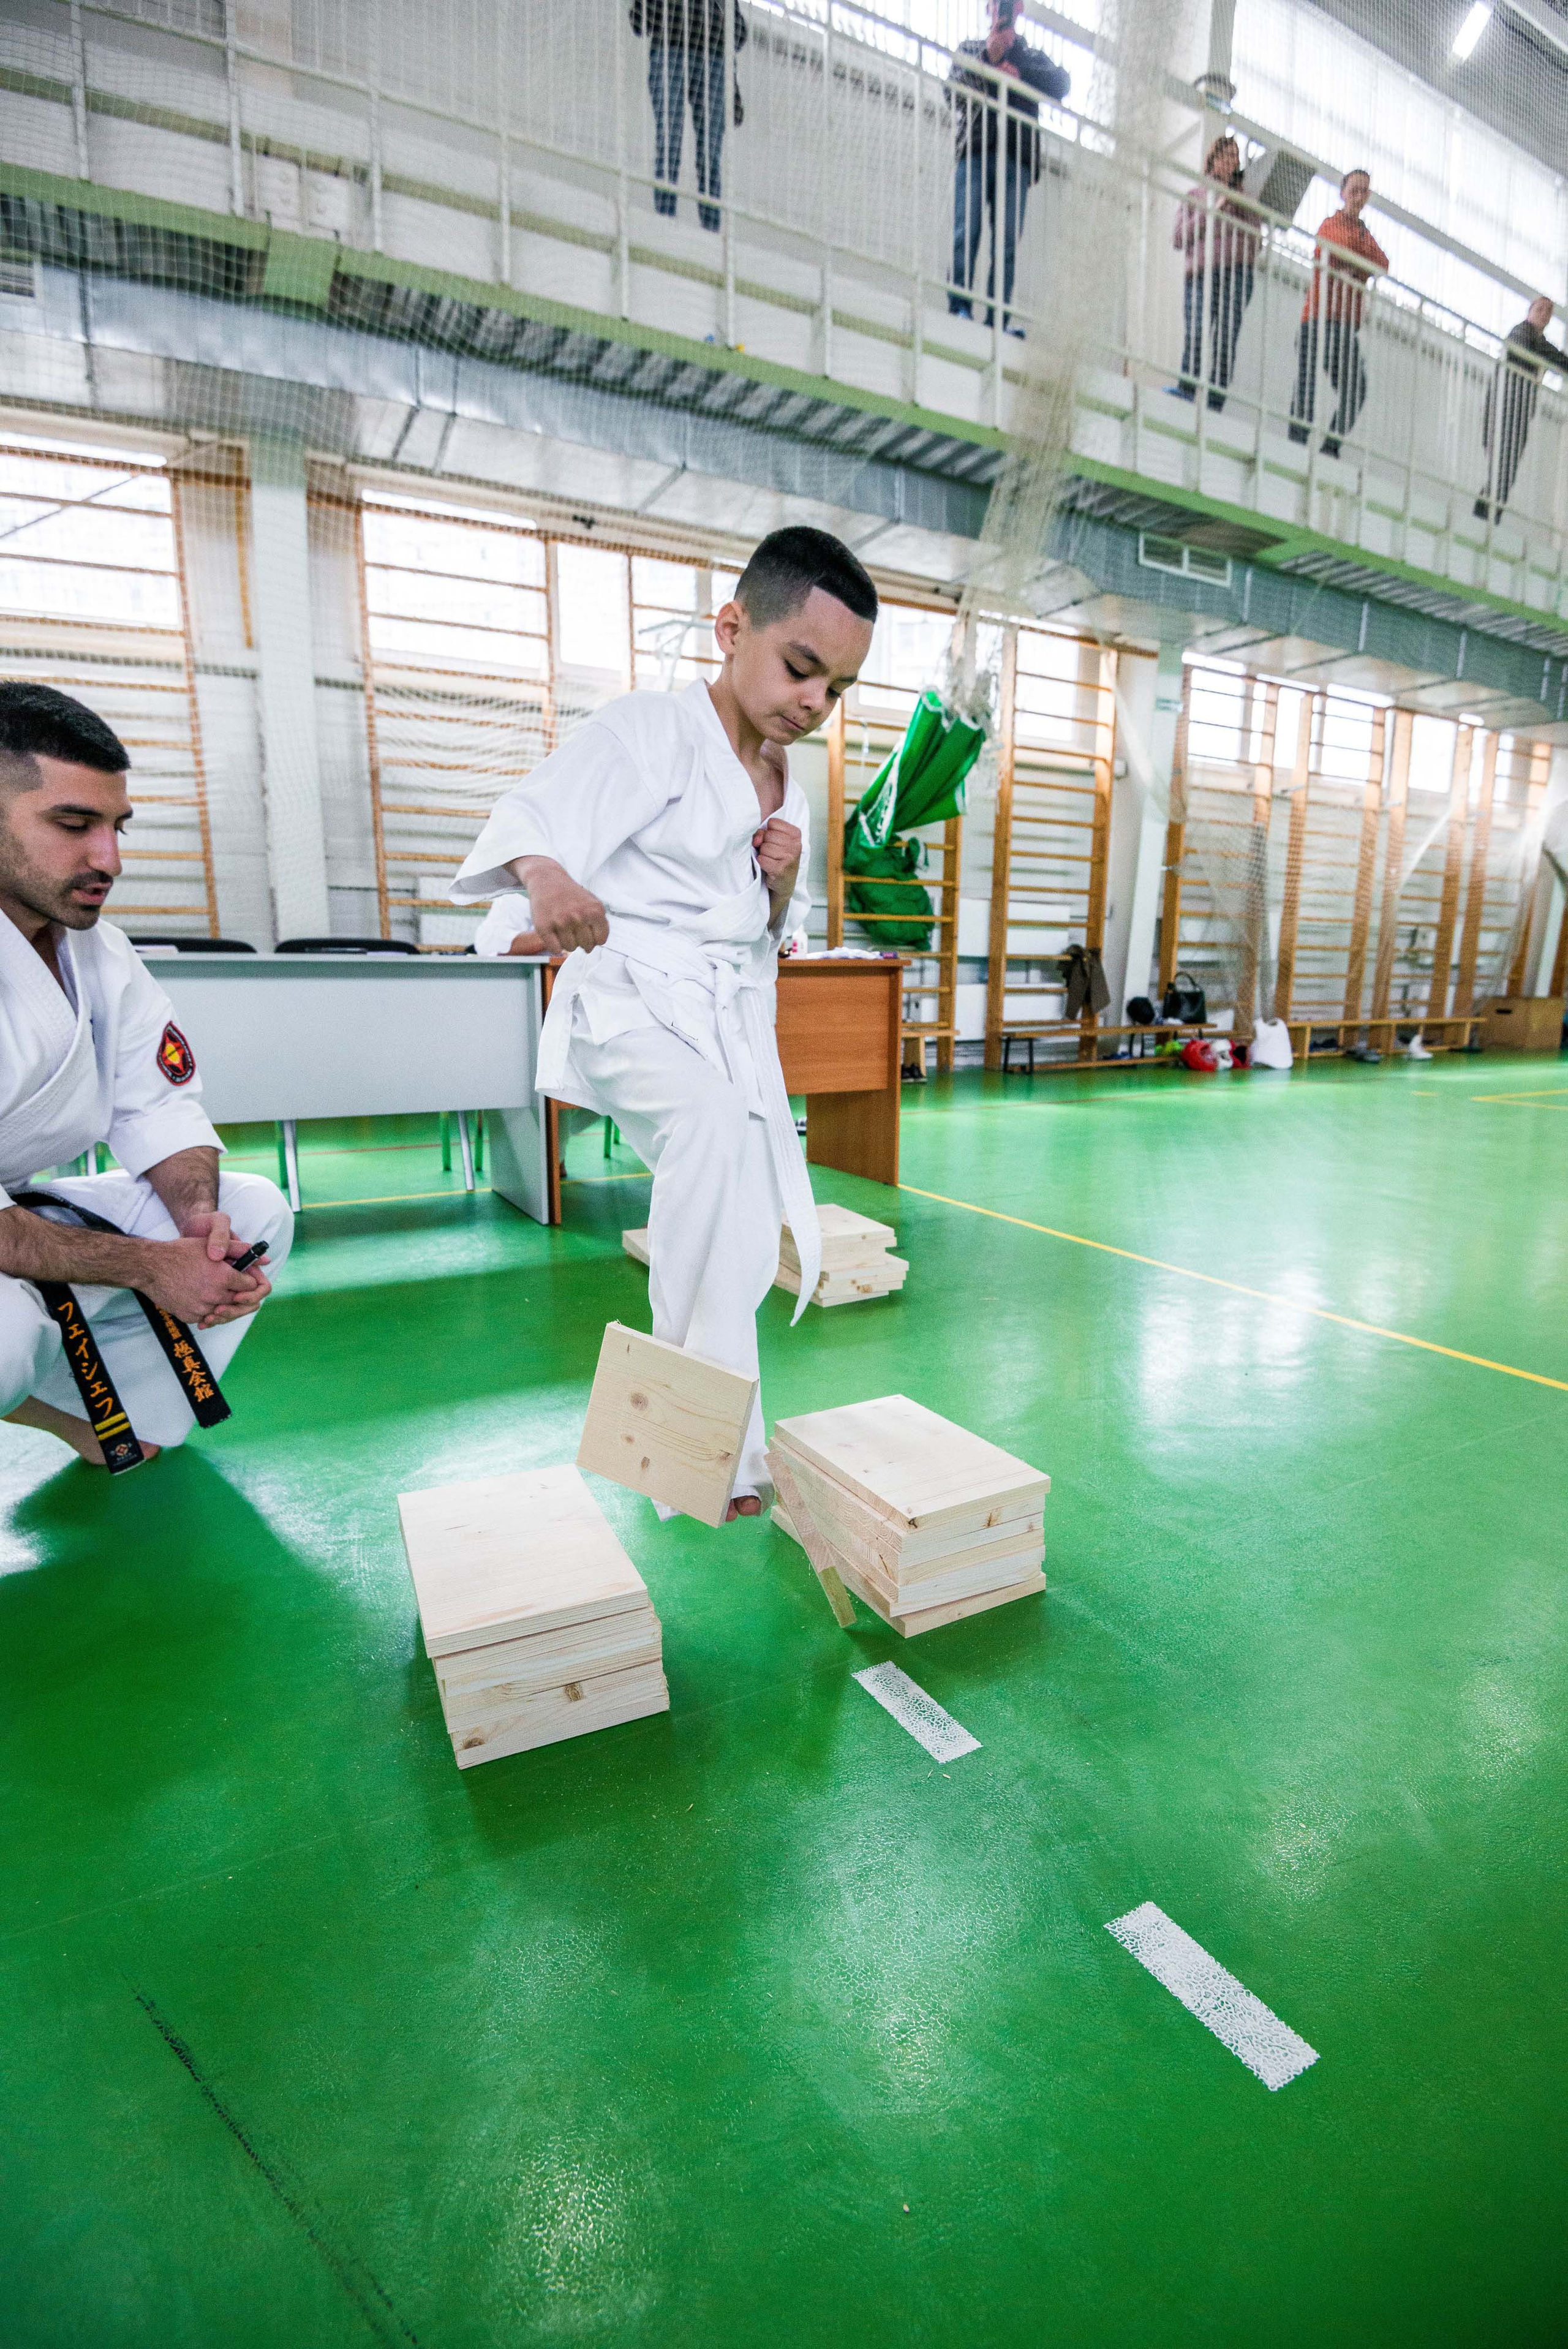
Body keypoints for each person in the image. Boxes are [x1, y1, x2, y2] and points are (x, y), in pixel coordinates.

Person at [451, 527, 877, 1521]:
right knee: (710, 1131)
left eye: (837, 690)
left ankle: (720, 1456)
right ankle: (671, 1431)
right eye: (801, 668)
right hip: (626, 1001)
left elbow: (772, 938)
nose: (813, 702)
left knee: (737, 1217)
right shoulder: (649, 729)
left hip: (721, 1019)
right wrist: (550, 881)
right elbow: (535, 816)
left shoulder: (789, 789)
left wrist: (784, 886)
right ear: (732, 629)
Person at [0, 685, 291, 1471]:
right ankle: (43, 1400)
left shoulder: (102, 952)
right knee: (1, 1341)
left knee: (253, 1213)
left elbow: (159, 1108)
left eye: (116, 826)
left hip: (18, 1207)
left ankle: (101, 1400)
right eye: (73, 825)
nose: (110, 859)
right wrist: (149, 1267)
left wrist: (198, 1231)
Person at [948, 1, 1069, 334]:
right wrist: (988, 60)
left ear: (1020, 9)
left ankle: (997, 320)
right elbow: (953, 93)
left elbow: (1062, 85)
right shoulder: (970, 49)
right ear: (988, 9)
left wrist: (1018, 70)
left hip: (1016, 158)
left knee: (1006, 244)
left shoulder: (1031, 57)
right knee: (965, 233)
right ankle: (958, 306)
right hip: (975, 150)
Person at [1287, 167, 1388, 458]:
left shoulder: (1364, 234)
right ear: (1342, 193)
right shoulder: (1331, 224)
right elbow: (1333, 250)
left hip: (1345, 325)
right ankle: (1297, 441)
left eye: (1364, 191)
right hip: (1319, 318)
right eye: (1354, 190)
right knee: (1307, 382)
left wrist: (1353, 263)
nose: (1359, 196)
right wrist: (1360, 264)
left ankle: (1330, 447)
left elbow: (1382, 264)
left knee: (1356, 390)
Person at [630, 0, 747, 233]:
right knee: (671, 142)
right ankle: (666, 222)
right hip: (675, 50)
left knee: (707, 153)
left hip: (709, 57)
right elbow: (639, 19)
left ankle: (708, 230)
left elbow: (739, 33)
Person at [1171, 134, 1258, 411]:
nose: (1232, 161)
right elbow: (1179, 238)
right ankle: (1186, 390)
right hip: (1201, 274)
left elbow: (1256, 241)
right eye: (1227, 155)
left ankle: (1214, 405)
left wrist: (1242, 204)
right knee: (1196, 332)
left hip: (1237, 274)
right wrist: (1214, 210)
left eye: (1236, 157)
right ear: (1213, 160)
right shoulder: (1195, 195)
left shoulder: (1244, 199)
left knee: (1225, 340)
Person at [1475, 295, 1568, 521]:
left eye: (1549, 312)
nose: (1544, 314)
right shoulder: (1521, 332)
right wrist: (1541, 366)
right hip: (1503, 412)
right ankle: (1483, 516)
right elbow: (1527, 350)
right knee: (1502, 468)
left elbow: (1560, 361)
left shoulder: (1538, 341)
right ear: (1531, 310)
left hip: (1518, 415)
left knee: (1507, 471)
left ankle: (1489, 516)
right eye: (1541, 308)